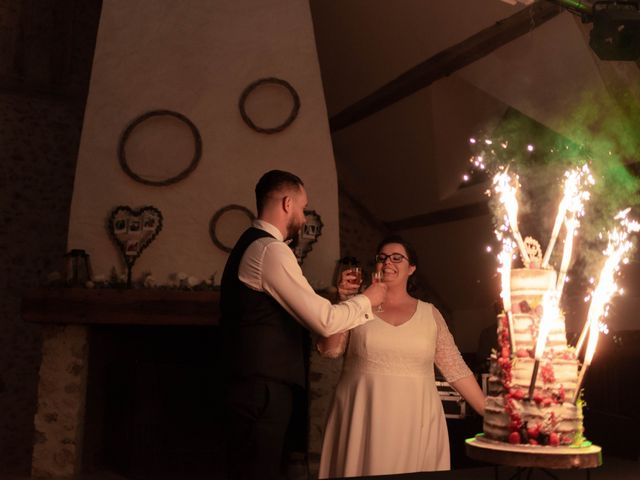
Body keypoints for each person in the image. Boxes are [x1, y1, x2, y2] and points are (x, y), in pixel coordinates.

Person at [220, 170, 387, 480]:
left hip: (255, 391)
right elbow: (323, 321)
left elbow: (305, 311)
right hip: (261, 394)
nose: (303, 215)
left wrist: (339, 297)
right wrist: (368, 299)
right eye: (302, 207)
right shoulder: (270, 250)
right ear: (287, 203)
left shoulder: (254, 245)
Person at [317, 235, 485, 478]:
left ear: (411, 268)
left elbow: (456, 368)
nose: (388, 263)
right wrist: (341, 302)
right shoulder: (356, 305)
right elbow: (329, 350)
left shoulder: (430, 314)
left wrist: (489, 414)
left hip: (415, 418)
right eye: (382, 258)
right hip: (363, 414)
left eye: (397, 258)